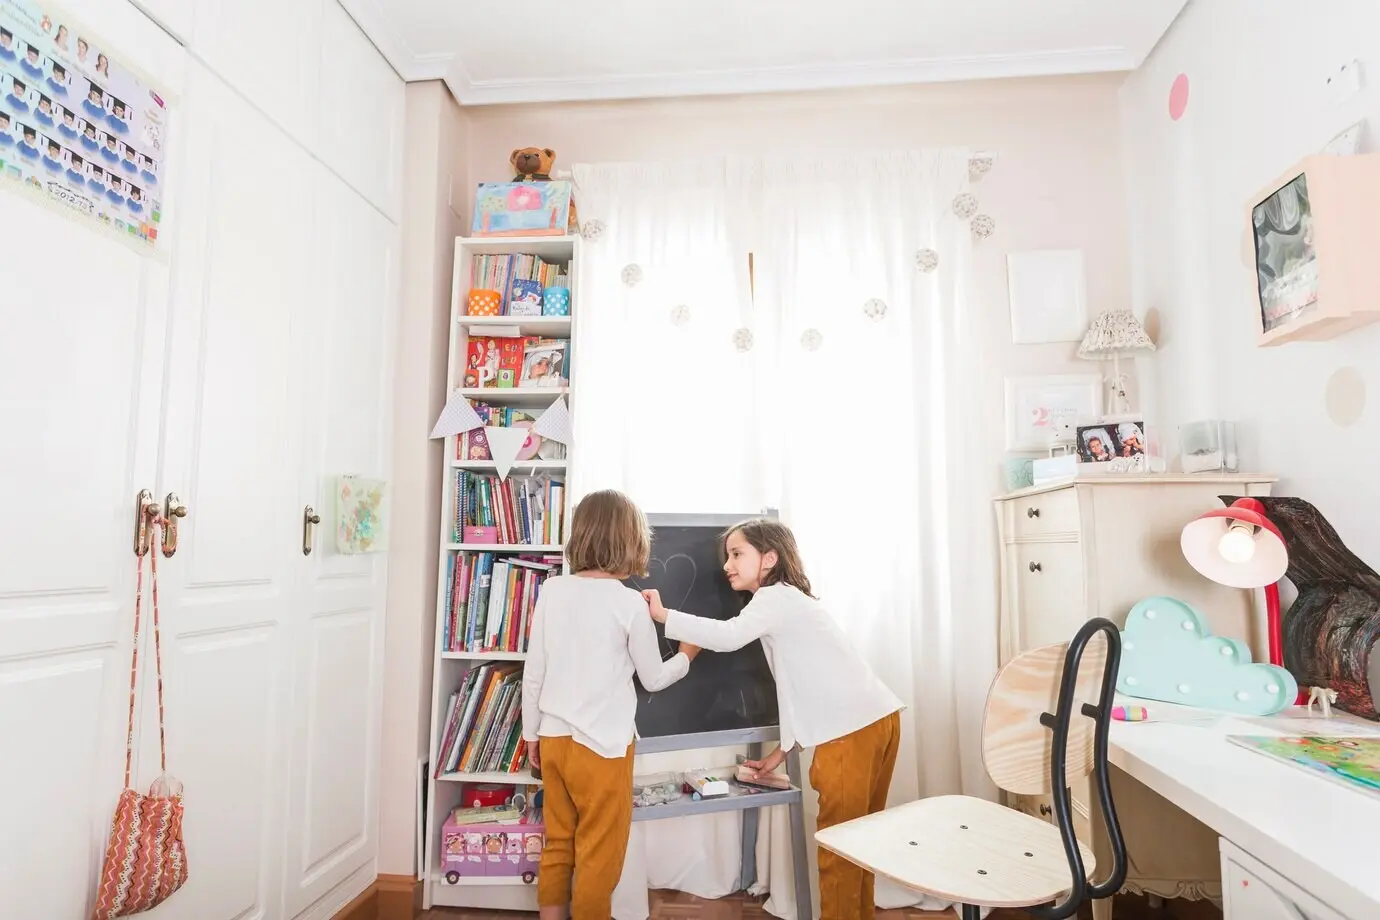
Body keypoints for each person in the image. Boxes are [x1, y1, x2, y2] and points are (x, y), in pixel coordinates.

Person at [643, 519, 904, 920]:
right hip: (875, 720)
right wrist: (781, 754)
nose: (727, 565)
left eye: (736, 554)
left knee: (839, 849)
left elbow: (729, 637)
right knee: (858, 844)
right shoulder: (788, 601)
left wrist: (664, 616)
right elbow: (804, 687)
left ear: (770, 557)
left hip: (851, 733)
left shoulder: (774, 598)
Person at [521, 489, 700, 920]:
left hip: (554, 739)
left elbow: (534, 673)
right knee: (600, 851)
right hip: (602, 747)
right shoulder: (628, 604)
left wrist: (531, 736)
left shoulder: (552, 591)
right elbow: (653, 677)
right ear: (632, 542)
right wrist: (687, 655)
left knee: (559, 839)